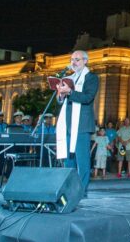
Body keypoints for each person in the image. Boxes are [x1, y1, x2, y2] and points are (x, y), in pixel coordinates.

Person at [56, 50, 100, 193]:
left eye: (77, 59)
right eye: (72, 59)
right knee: (69, 160)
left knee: (82, 160)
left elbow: (87, 98)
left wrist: (69, 92)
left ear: (85, 61)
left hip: (82, 125)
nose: (73, 62)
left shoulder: (91, 78)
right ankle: (69, 190)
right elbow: (60, 101)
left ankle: (81, 190)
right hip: (68, 125)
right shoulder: (69, 78)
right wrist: (60, 94)